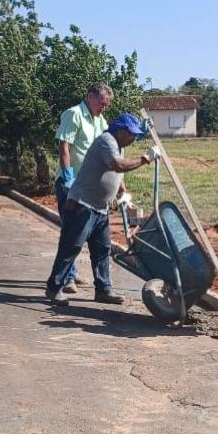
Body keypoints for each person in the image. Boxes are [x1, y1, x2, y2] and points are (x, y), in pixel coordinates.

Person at [46, 113, 160, 307]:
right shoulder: (106, 141)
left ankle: (103, 289)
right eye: (131, 134)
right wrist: (145, 159)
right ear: (121, 131)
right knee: (71, 246)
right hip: (83, 204)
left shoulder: (118, 145)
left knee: (102, 250)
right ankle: (54, 287)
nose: (133, 139)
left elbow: (116, 173)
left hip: (99, 208)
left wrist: (123, 192)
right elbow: (117, 166)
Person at [54, 82, 114, 294]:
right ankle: (67, 278)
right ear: (89, 97)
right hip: (73, 183)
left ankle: (73, 274)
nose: (103, 107)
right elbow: (64, 146)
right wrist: (67, 177)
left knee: (88, 235)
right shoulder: (74, 114)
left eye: (106, 105)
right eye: (101, 103)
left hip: (91, 188)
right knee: (71, 231)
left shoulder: (101, 120)